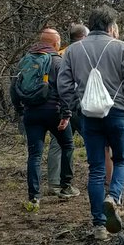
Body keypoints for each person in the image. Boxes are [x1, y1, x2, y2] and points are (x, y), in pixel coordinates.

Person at [60, 6, 124, 241]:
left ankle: (99, 226)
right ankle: (113, 197)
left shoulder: (73, 51)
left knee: (95, 170)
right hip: (119, 113)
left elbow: (63, 85)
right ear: (111, 26)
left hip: (89, 116)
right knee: (122, 160)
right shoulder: (123, 48)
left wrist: (76, 106)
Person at [11, 28, 74, 206]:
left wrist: (20, 110)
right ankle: (65, 187)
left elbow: (13, 87)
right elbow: (65, 89)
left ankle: (34, 197)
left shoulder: (25, 60)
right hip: (53, 112)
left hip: (32, 113)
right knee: (67, 145)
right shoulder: (58, 61)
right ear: (55, 43)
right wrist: (66, 114)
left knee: (35, 156)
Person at [45, 23, 88, 198]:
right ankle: (101, 177)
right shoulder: (83, 52)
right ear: (83, 36)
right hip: (78, 104)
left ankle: (54, 183)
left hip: (57, 104)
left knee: (58, 144)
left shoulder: (59, 53)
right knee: (96, 141)